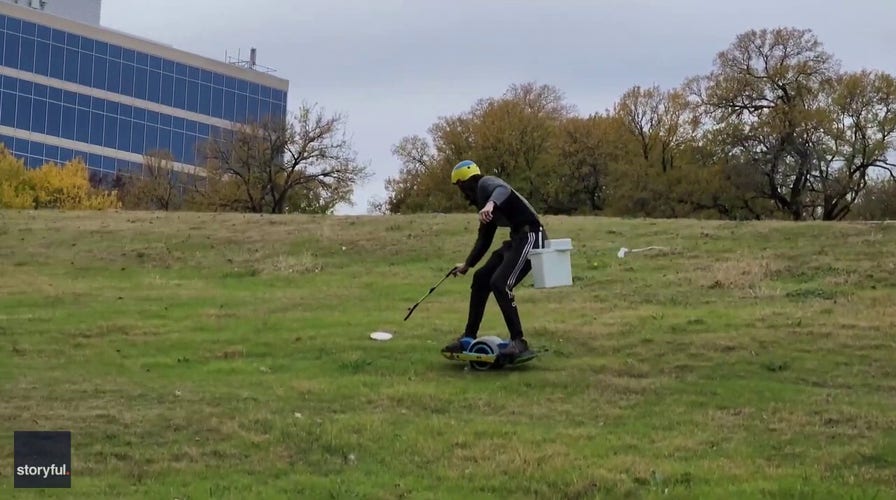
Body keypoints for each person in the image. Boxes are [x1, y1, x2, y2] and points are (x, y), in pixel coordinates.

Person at [443, 160, 547, 359]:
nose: (462, 194)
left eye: (460, 187)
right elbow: (484, 239)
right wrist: (467, 265)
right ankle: (468, 337)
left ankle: (518, 342)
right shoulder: (484, 206)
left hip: (532, 236)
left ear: (466, 182)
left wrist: (490, 204)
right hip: (517, 239)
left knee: (500, 283)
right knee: (481, 278)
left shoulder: (487, 184)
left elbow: (503, 189)